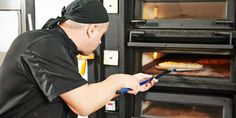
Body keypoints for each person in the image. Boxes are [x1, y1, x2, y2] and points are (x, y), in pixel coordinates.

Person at [0, 0, 158, 118]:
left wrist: (129, 81)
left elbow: (78, 93)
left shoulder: (59, 45)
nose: (100, 42)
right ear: (92, 30)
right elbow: (84, 104)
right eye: (102, 35)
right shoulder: (44, 44)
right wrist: (117, 79)